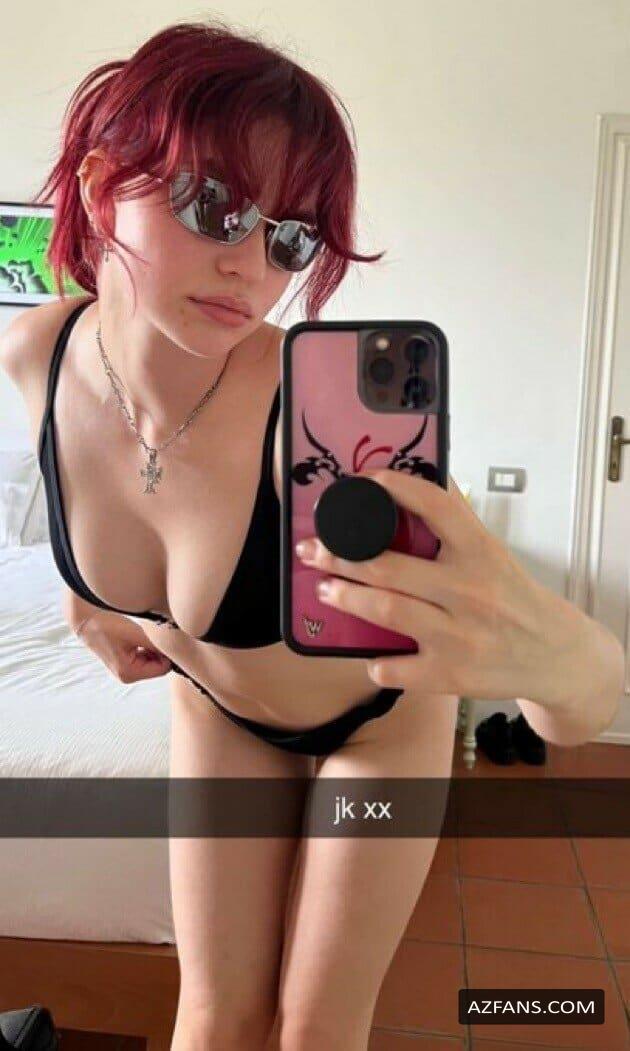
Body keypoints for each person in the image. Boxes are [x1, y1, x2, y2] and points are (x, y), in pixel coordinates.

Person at [1, 18, 623, 1051]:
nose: (251, 265)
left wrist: (557, 659)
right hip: (218, 715)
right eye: (216, 205)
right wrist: (84, 594)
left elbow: (580, 701)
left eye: (289, 238)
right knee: (214, 1017)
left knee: (316, 1028)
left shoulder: (319, 418)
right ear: (106, 185)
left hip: (375, 737)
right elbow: (71, 478)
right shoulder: (37, 352)